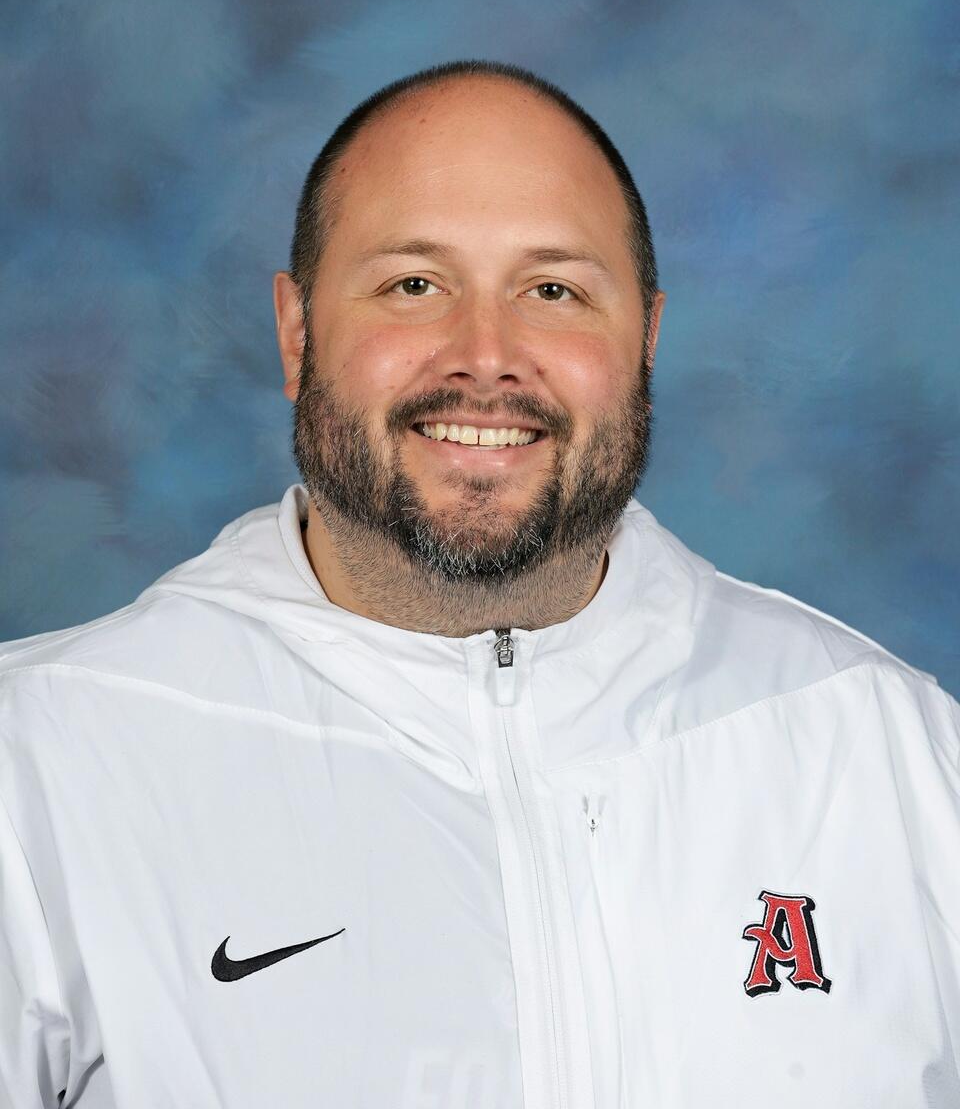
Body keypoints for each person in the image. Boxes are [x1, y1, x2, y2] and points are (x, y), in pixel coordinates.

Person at [1, 59, 957, 1109]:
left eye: (553, 290)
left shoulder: (892, 757)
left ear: (645, 339)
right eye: (415, 284)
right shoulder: (43, 765)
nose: (486, 356)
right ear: (296, 332)